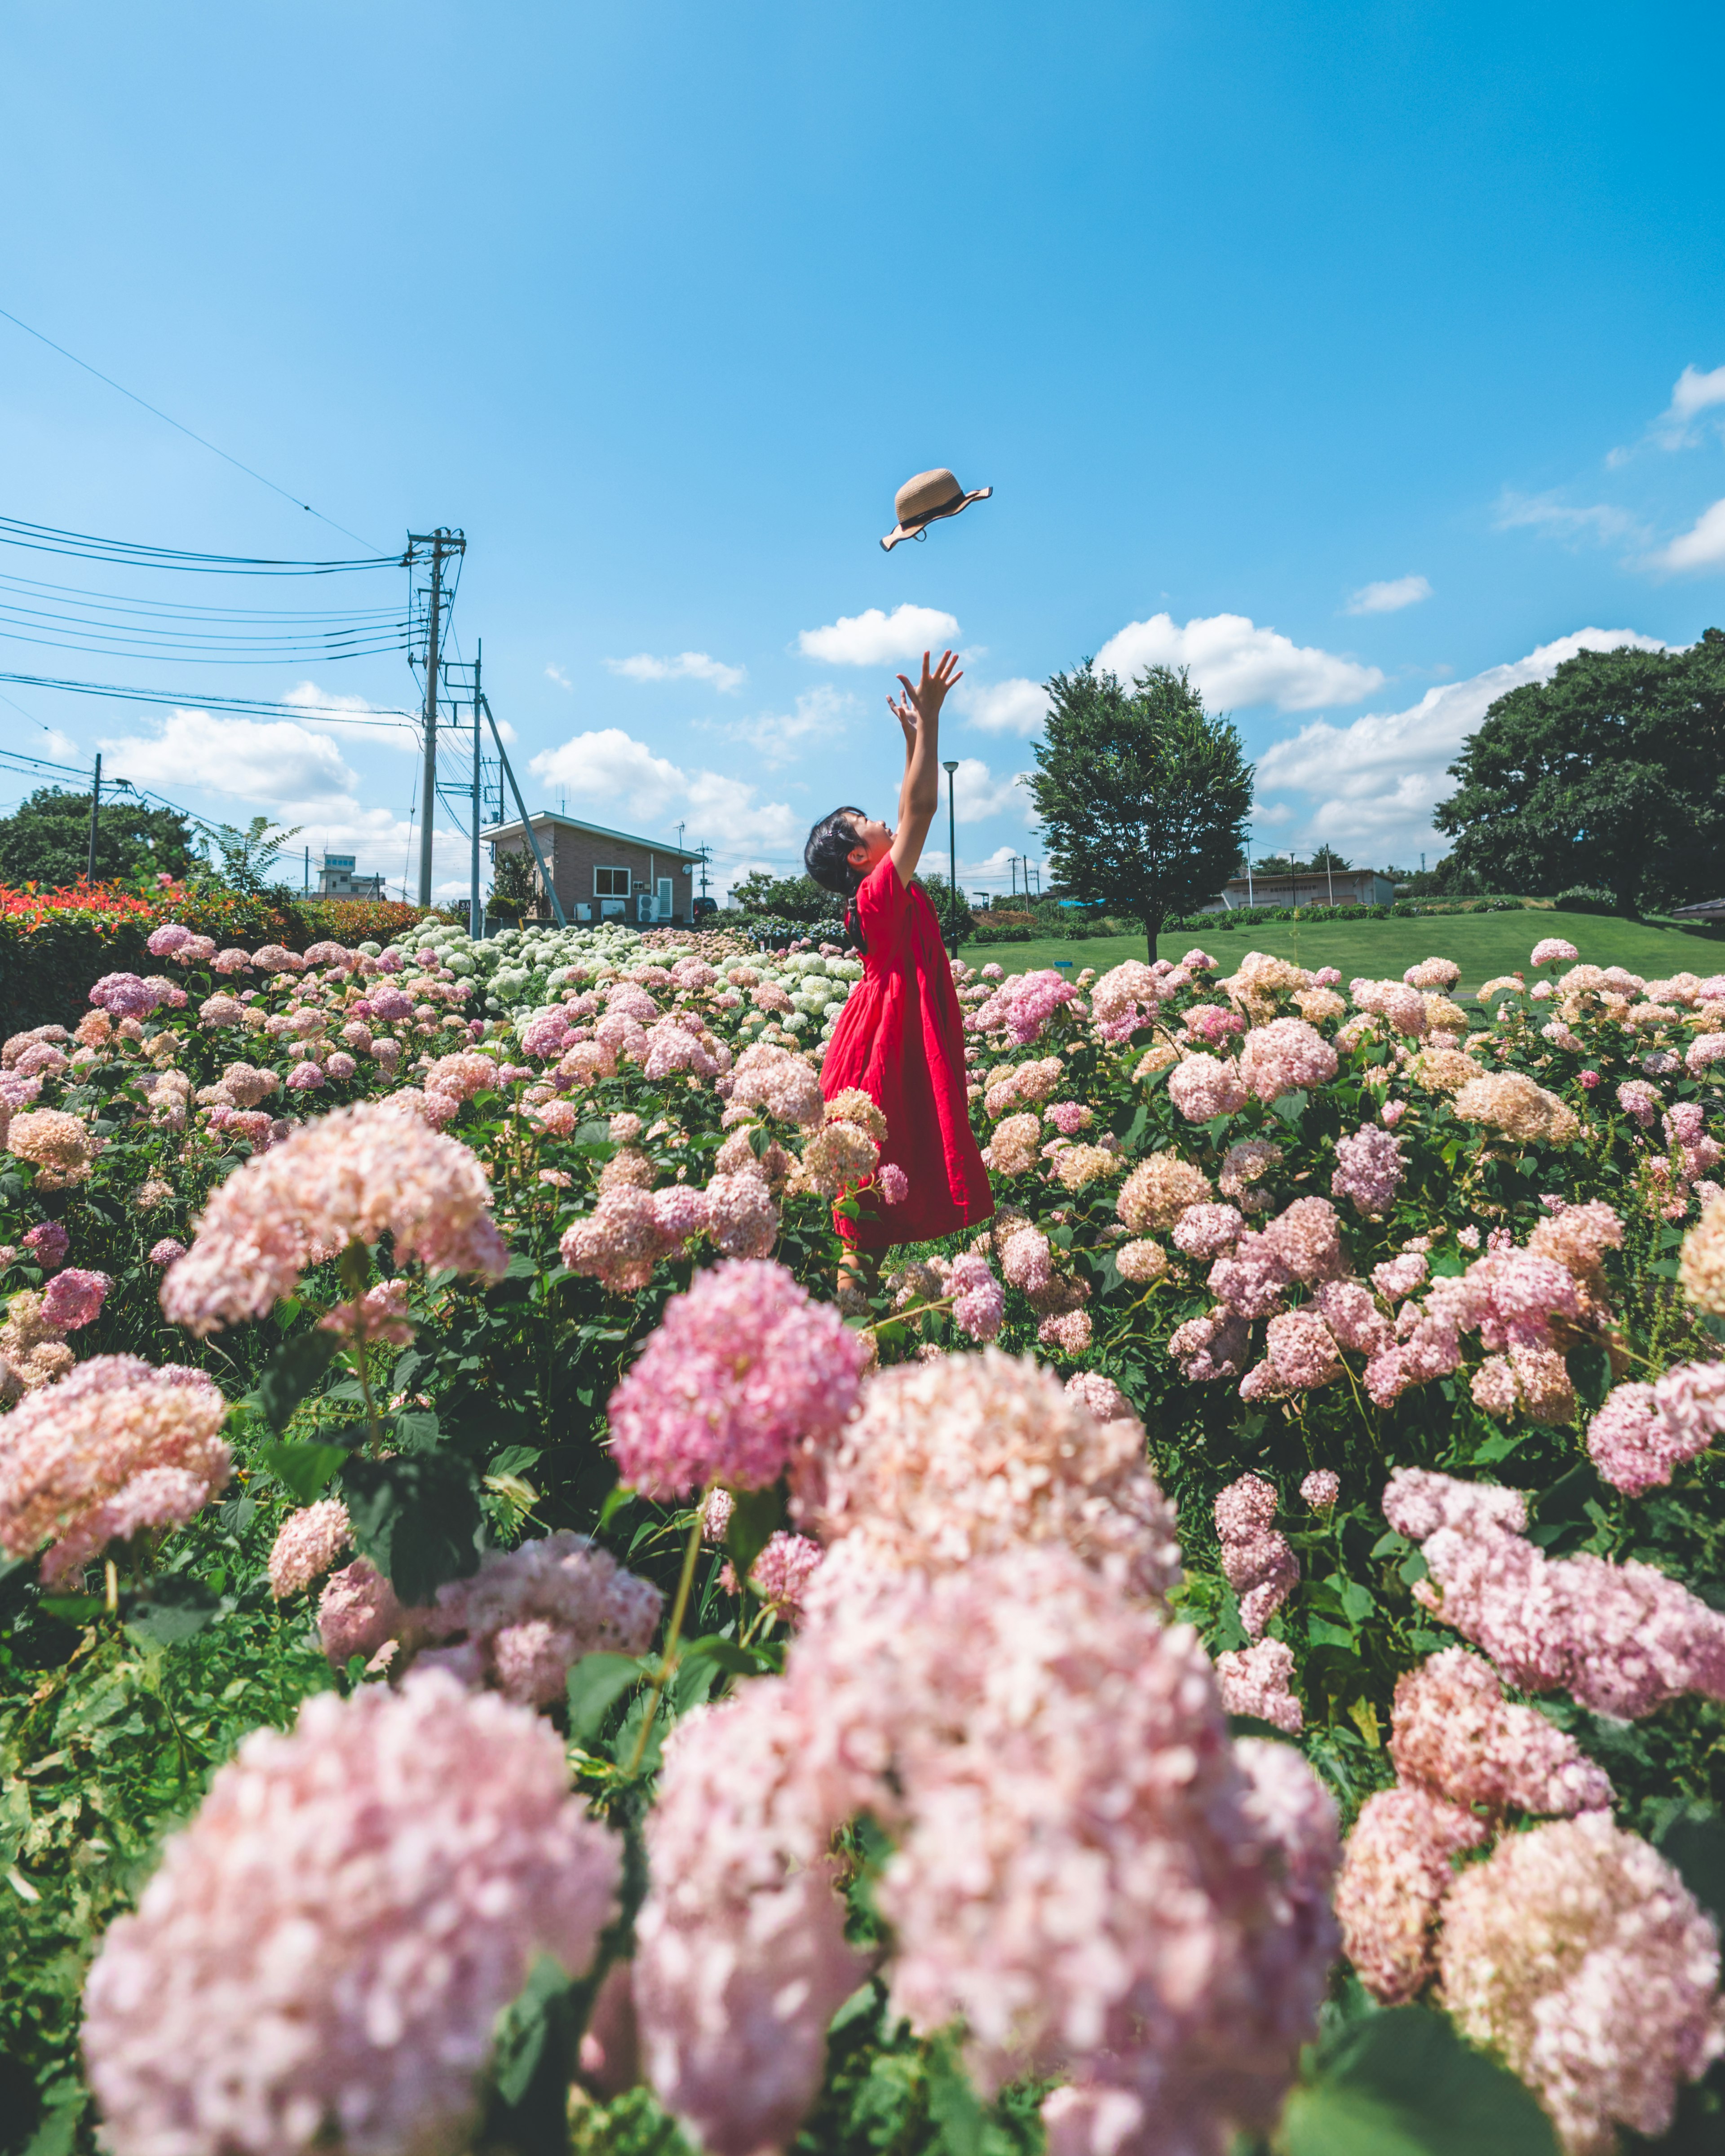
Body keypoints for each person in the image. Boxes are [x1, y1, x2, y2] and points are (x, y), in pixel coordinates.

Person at [803, 649, 993, 1263]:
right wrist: (933, 722)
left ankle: (855, 1284)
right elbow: (922, 809)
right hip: (889, 1032)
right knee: (881, 1157)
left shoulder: (877, 889)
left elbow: (910, 803)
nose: (879, 818)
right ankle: (852, 1284)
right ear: (860, 855)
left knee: (887, 1155)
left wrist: (915, 744)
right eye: (863, 821)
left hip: (888, 1022)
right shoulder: (880, 890)